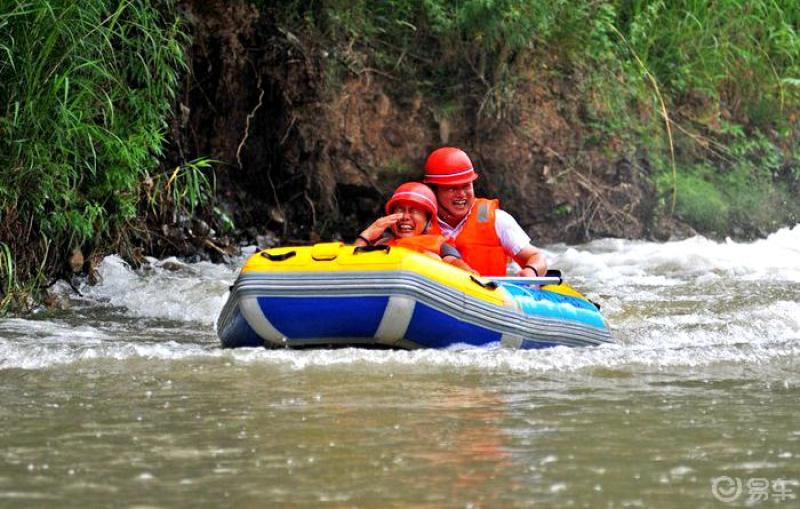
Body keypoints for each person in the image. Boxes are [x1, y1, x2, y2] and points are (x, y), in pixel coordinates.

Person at [422, 146, 548, 277]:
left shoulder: (498, 220)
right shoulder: (420, 222)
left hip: (489, 294)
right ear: (433, 191)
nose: (461, 194)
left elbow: (537, 256)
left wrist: (531, 271)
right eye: (452, 189)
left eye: (466, 186)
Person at [355, 182, 476, 273]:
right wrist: (367, 235)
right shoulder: (382, 244)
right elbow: (349, 265)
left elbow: (459, 268)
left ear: (428, 220)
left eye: (415, 211)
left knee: (432, 258)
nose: (405, 217)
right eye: (400, 210)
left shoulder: (441, 245)